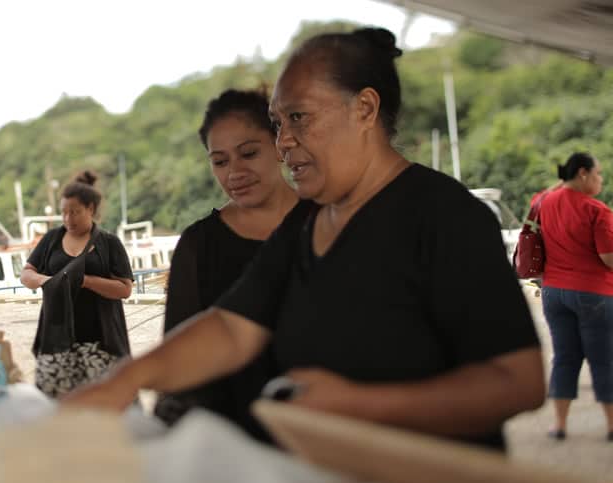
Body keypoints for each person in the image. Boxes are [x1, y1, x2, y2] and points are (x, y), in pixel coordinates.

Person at [63, 27, 545, 451]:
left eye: (299, 118)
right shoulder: (307, 224)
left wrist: (360, 405)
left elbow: (517, 382)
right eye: (278, 123)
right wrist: (123, 381)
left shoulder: (444, 215)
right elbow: (232, 329)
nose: (283, 142)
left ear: (365, 108)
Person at [153, 88, 298, 440]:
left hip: (322, 427)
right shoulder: (198, 244)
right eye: (220, 161)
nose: (236, 172)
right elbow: (181, 354)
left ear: (280, 144)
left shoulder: (328, 221)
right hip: (228, 436)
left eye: (249, 153)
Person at [20, 170, 134, 398]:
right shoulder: (51, 239)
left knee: (106, 405)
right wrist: (50, 282)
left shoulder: (109, 243)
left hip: (101, 340)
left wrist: (86, 281)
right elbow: (26, 274)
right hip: (56, 339)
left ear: (91, 209)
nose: (68, 219)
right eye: (63, 213)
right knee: (56, 407)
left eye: (75, 212)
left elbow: (125, 289)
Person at [537, 152, 613, 441]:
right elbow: (609, 258)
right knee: (603, 359)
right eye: (598, 174)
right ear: (583, 173)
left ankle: (559, 425)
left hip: (554, 294)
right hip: (593, 293)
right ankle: (611, 426)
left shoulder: (542, 202)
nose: (600, 179)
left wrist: (563, 183)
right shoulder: (597, 210)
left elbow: (549, 192)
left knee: (565, 358)